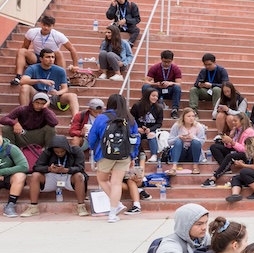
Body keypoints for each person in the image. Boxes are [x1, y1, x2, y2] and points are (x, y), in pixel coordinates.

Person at [87, 93, 139, 223]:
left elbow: (92, 137)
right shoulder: (130, 119)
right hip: (124, 155)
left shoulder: (101, 118)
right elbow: (135, 139)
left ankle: (116, 204)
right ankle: (112, 214)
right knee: (116, 183)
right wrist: (133, 156)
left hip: (105, 153)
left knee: (103, 180)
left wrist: (94, 149)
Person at [20, 135, 89, 217]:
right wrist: (49, 169)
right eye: (56, 152)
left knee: (79, 176)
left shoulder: (76, 151)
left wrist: (66, 170)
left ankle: (81, 206)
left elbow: (80, 168)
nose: (59, 153)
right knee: (35, 175)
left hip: (69, 176)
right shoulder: (47, 152)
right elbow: (36, 167)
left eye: (62, 151)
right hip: (52, 176)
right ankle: (33, 207)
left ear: (66, 148)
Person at [11, 14, 78, 84]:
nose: (46, 28)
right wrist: (22, 61)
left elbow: (72, 49)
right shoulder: (32, 32)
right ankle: (18, 77)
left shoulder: (58, 35)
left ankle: (64, 78)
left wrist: (75, 65)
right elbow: (25, 46)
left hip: (51, 59)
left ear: (53, 26)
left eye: (49, 26)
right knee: (22, 51)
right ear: (41, 24)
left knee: (59, 53)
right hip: (37, 57)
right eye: (44, 25)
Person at [19, 48, 79, 117]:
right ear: (41, 59)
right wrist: (40, 80)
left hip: (53, 95)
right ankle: (24, 115)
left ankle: (75, 119)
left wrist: (57, 93)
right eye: (48, 57)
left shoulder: (60, 70)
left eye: (53, 57)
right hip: (37, 94)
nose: (51, 59)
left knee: (72, 95)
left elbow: (65, 88)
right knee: (25, 87)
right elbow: (22, 81)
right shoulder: (32, 68)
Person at [201, 110, 254, 185]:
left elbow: (245, 149)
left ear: (242, 121)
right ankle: (227, 168)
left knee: (230, 156)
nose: (233, 123)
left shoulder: (249, 132)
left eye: (235, 121)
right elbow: (231, 145)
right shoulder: (235, 129)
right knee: (214, 147)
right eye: (233, 121)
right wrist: (226, 142)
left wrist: (232, 142)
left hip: (247, 154)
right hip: (236, 150)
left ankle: (214, 177)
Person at [130, 86, 165, 168]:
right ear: (147, 95)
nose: (155, 98)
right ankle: (138, 155)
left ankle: (154, 155)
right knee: (135, 135)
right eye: (153, 96)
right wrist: (137, 128)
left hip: (151, 130)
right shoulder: (137, 105)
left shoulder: (158, 108)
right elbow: (131, 119)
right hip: (138, 129)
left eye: (156, 96)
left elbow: (159, 124)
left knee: (151, 135)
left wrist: (150, 129)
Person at [165, 107, 206, 174]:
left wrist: (193, 138)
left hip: (193, 152)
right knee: (178, 141)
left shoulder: (199, 126)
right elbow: (169, 142)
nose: (191, 118)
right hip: (180, 152)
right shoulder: (177, 126)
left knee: (195, 142)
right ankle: (174, 167)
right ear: (183, 117)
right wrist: (179, 137)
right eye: (188, 116)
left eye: (193, 116)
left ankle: (195, 167)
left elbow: (201, 142)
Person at [142, 49, 183, 116]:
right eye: (164, 62)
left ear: (172, 60)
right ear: (161, 59)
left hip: (169, 90)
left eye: (168, 62)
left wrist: (170, 83)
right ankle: (147, 106)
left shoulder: (176, 68)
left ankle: (174, 109)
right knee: (145, 87)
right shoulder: (155, 67)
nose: (166, 64)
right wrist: (156, 84)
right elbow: (146, 81)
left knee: (177, 88)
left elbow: (179, 83)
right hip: (157, 90)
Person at [1, 131, 30, 218]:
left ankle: (10, 205)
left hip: (9, 178)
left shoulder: (11, 148)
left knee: (20, 175)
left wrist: (2, 172)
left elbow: (24, 167)